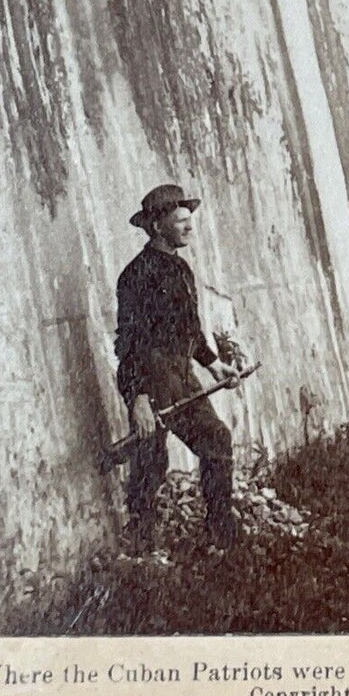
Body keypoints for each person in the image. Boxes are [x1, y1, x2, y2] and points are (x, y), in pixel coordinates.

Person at [115, 183, 242, 551]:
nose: (189, 227)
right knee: (150, 462)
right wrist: (137, 397)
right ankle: (142, 548)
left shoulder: (182, 269)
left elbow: (191, 328)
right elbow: (128, 340)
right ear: (157, 226)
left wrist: (214, 366)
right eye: (181, 221)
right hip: (153, 379)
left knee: (216, 440)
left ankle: (220, 533)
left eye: (190, 220)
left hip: (181, 375)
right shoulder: (135, 275)